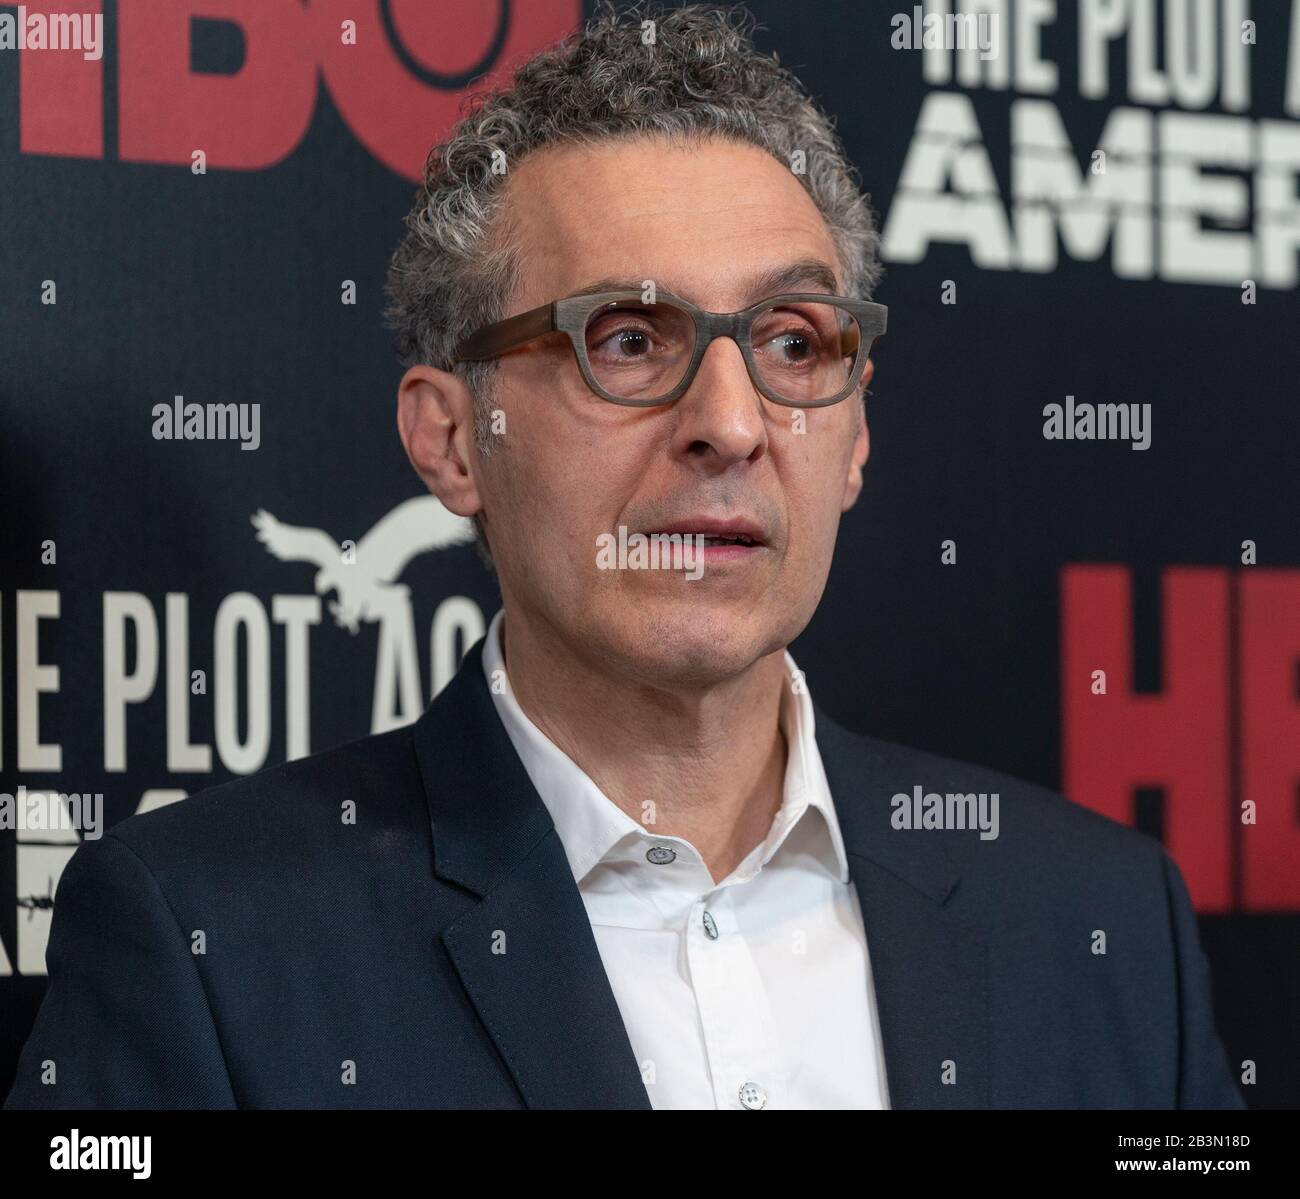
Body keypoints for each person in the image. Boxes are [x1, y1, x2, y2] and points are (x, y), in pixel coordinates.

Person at [5, 3, 1242, 1110]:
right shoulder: (205, 937)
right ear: (451, 440)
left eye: (795, 341)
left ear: (856, 434)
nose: (732, 419)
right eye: (630, 337)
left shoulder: (1101, 920)